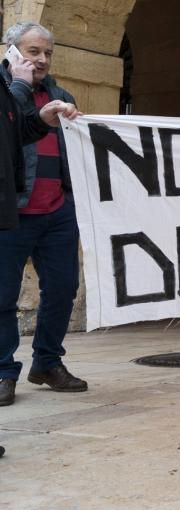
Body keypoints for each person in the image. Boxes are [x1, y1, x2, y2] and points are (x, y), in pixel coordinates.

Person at [0, 21, 82, 411]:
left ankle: (47, 363)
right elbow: (9, 131)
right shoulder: (5, 91)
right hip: (11, 211)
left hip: (57, 211)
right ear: (13, 51)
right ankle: (3, 371)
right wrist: (18, 82)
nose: (42, 60)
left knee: (64, 289)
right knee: (2, 296)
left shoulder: (60, 94)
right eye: (33, 52)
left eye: (47, 53)